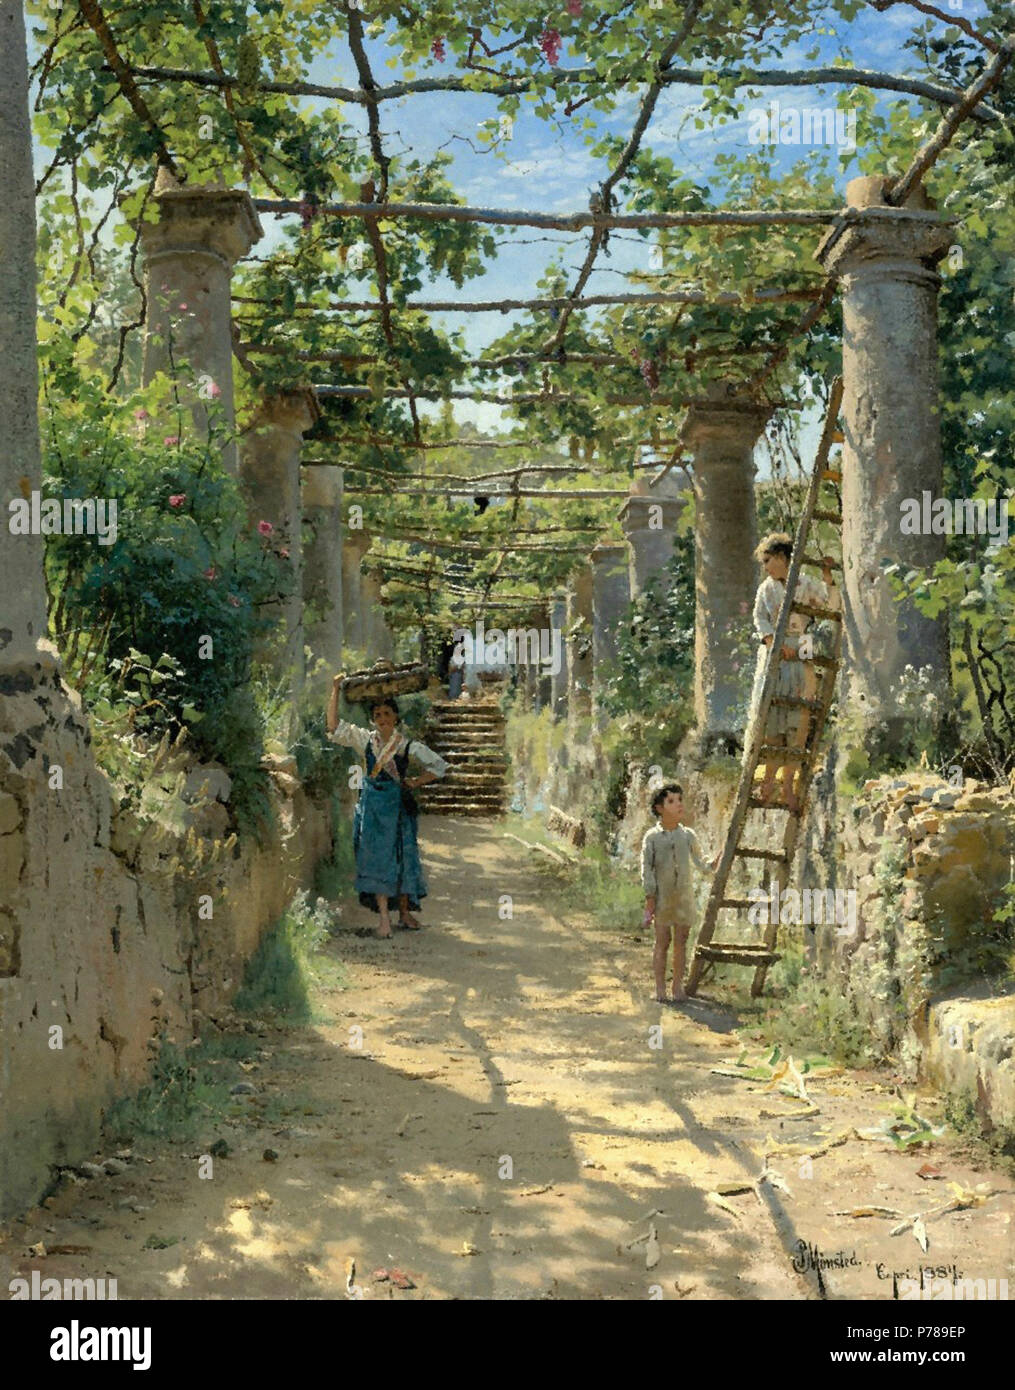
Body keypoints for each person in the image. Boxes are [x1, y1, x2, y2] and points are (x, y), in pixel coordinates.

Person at [326, 674, 449, 939]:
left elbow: (439, 767)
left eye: (387, 714)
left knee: (403, 857)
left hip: (398, 809)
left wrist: (416, 782)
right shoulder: (364, 739)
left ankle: (404, 913)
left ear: (396, 718)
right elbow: (333, 727)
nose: (382, 719)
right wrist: (335, 689)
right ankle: (384, 919)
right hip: (372, 809)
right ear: (372, 719)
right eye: (378, 714)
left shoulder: (406, 746)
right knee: (376, 859)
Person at [745, 533, 837, 811]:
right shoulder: (766, 589)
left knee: (799, 718)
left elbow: (831, 605)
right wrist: (773, 641)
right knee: (773, 717)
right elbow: (759, 618)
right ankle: (768, 782)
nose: (766, 566)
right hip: (776, 648)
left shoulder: (806, 583)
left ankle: (788, 787)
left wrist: (827, 575)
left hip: (803, 644)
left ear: (783, 558)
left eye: (768, 560)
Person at [641, 783, 716, 1004]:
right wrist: (650, 896)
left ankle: (677, 988)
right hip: (663, 897)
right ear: (660, 808)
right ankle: (659, 988)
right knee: (662, 941)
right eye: (672, 801)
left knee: (681, 942)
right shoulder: (652, 837)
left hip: (684, 897)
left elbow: (701, 862)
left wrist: (714, 862)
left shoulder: (688, 835)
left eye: (680, 800)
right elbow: (647, 868)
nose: (678, 805)